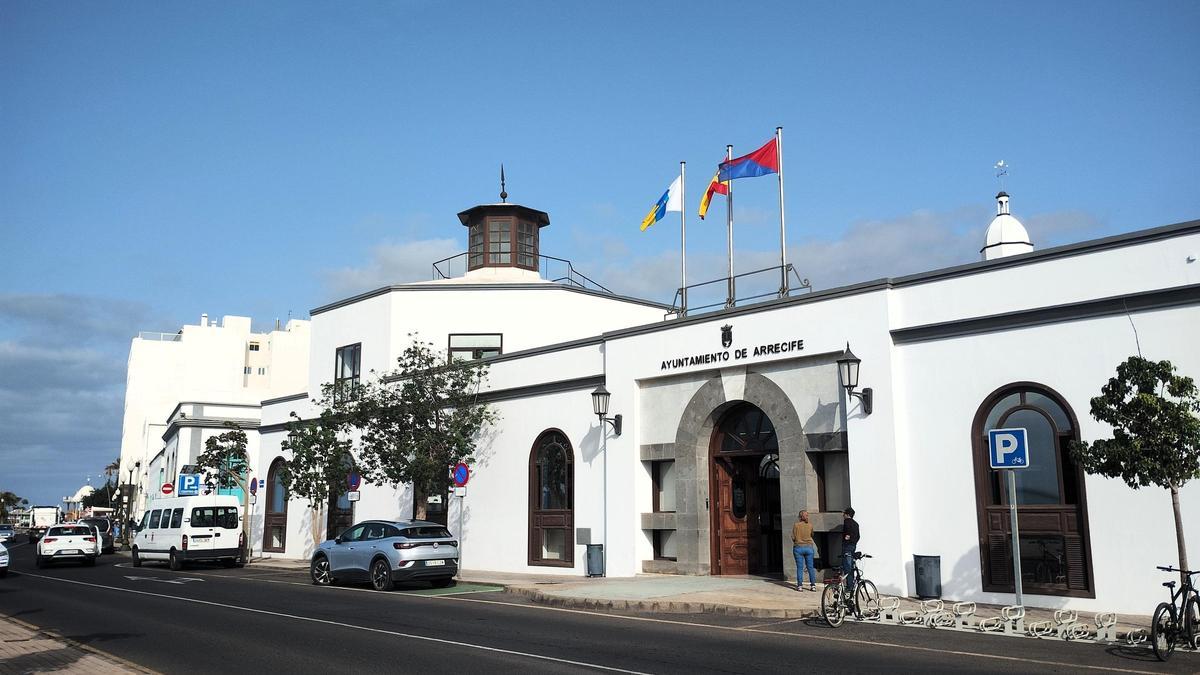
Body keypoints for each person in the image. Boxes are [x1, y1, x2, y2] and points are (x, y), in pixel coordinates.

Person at [791, 510, 817, 591]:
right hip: (809, 547)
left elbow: (793, 537)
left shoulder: (796, 525)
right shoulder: (810, 525)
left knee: (800, 568)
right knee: (810, 567)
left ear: (799, 517)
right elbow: (812, 534)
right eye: (807, 515)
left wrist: (797, 541)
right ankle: (813, 586)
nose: (808, 517)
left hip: (798, 547)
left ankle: (800, 586)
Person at [841, 506, 860, 593]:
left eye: (844, 513)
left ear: (847, 514)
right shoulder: (856, 524)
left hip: (847, 546)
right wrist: (853, 541)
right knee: (851, 566)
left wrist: (847, 538)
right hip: (853, 546)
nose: (843, 515)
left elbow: (847, 533)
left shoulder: (847, 522)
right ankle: (850, 585)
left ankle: (849, 587)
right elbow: (858, 536)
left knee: (847, 567)